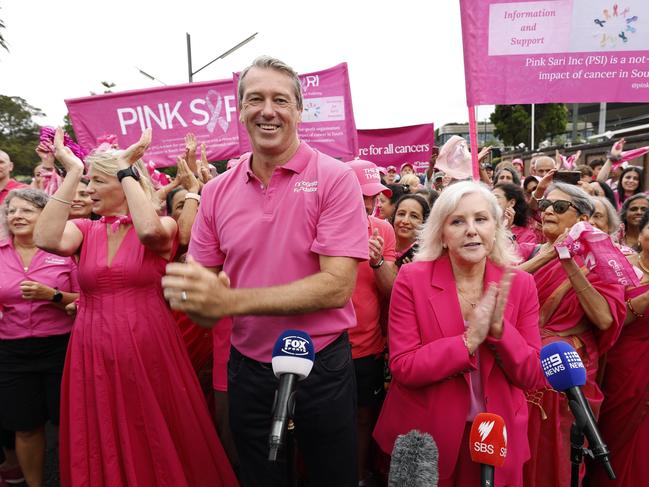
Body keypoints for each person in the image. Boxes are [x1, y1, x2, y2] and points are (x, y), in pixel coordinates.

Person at [162, 55, 368, 487]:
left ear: (298, 110)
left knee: (333, 476)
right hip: (249, 366)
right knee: (259, 477)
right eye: (255, 98)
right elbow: (203, 293)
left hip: (322, 362)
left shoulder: (334, 178)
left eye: (280, 100)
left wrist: (231, 300)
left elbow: (336, 286)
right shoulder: (217, 191)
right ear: (240, 111)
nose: (267, 110)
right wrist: (193, 298)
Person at [33, 128, 237, 486]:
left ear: (125, 183)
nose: (89, 190)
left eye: (97, 181)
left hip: (147, 343)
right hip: (91, 345)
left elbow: (148, 233)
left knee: (152, 424)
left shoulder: (165, 226)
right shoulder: (84, 229)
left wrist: (127, 166)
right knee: (102, 429)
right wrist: (74, 171)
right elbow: (45, 237)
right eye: (88, 182)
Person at [373, 181, 543, 486]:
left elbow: (531, 375)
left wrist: (500, 333)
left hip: (496, 438)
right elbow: (404, 366)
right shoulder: (412, 278)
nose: (471, 230)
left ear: (496, 227)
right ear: (441, 232)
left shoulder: (520, 284)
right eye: (457, 221)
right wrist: (466, 343)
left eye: (480, 219)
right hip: (427, 438)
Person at [518, 183, 626, 487]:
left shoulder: (600, 263)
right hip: (521, 364)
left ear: (583, 219)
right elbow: (501, 287)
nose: (549, 211)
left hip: (568, 370)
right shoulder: (530, 251)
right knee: (519, 447)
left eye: (560, 207)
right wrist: (548, 256)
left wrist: (570, 264)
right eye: (545, 205)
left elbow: (605, 318)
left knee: (561, 452)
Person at [0, 189, 79, 487]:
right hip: (10, 351)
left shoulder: (64, 250)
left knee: (68, 423)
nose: (16, 216)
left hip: (61, 348)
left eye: (26, 211)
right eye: (11, 211)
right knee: (24, 426)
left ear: (44, 215)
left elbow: (87, 298)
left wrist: (53, 296)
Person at [347, 159, 397, 486]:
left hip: (367, 347)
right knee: (322, 419)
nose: (369, 202)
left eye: (374, 195)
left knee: (365, 416)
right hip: (324, 346)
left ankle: (359, 475)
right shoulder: (316, 223)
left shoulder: (383, 229)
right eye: (361, 194)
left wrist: (378, 261)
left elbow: (392, 289)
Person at [591, 210, 649, 486]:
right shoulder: (621, 265)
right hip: (620, 362)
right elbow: (610, 320)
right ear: (641, 231)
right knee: (613, 430)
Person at [391, 194, 430, 267]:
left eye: (414, 216)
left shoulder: (425, 256)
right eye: (401, 214)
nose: (405, 221)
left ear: (424, 222)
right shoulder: (381, 243)